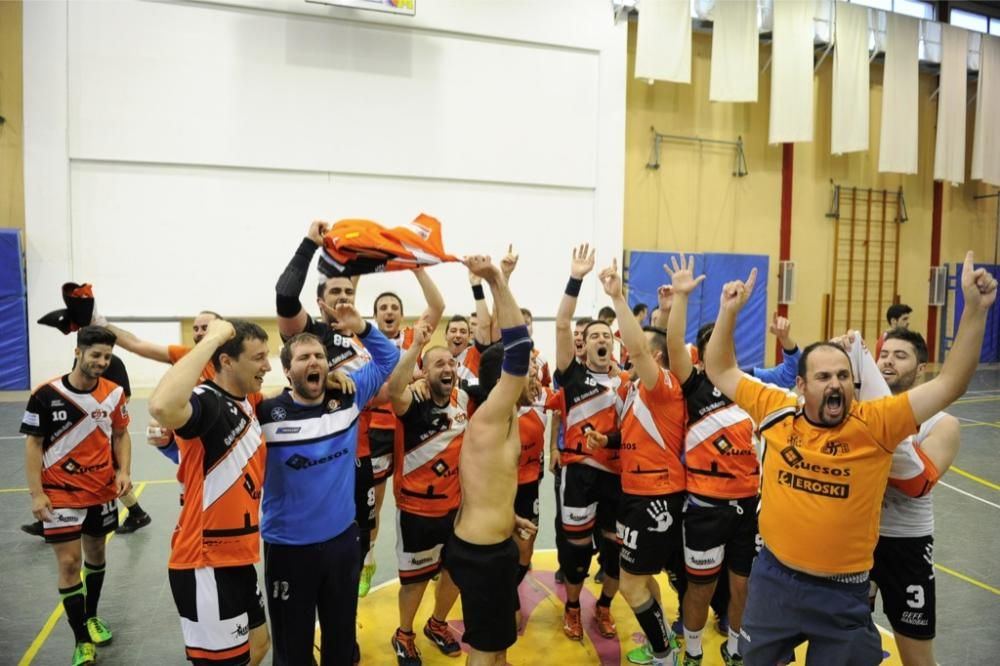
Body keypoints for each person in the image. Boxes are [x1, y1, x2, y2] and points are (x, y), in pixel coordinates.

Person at [703, 252, 996, 665]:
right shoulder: (776, 408)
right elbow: (720, 369)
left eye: (843, 375)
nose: (836, 383)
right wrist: (728, 312)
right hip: (774, 579)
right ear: (802, 386)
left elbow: (951, 383)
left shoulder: (876, 422)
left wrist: (975, 311)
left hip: (842, 591)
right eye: (823, 377)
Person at [258, 303, 400, 665]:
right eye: (303, 357)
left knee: (340, 642)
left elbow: (390, 360)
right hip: (289, 550)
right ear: (288, 370)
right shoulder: (266, 415)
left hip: (341, 545)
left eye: (319, 355)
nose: (314, 362)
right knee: (293, 650)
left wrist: (362, 328)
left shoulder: (348, 398)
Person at [149, 319, 272, 666]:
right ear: (227, 361)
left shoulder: (247, 400)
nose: (267, 365)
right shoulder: (207, 402)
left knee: (259, 645)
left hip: (238, 556)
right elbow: (162, 407)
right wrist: (214, 337)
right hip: (205, 562)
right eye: (259, 357)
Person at [664, 256, 760, 666]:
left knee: (744, 586)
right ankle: (694, 652)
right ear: (702, 356)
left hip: (751, 505)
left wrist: (733, 313)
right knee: (699, 588)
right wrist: (682, 299)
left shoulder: (751, 387)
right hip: (705, 504)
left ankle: (736, 650)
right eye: (715, 345)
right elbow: (671, 347)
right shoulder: (695, 385)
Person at [445, 255, 538, 665]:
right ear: (504, 381)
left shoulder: (504, 415)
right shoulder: (491, 415)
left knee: (498, 647)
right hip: (481, 554)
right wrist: (497, 281)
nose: (533, 374)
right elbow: (518, 349)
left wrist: (509, 516)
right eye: (528, 372)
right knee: (485, 652)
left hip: (493, 544)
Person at [21, 326, 133, 666]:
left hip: (101, 491)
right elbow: (33, 444)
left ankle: (91, 615)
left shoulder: (114, 393)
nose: (101, 361)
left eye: (107, 357)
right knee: (70, 563)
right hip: (59, 494)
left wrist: (124, 471)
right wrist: (37, 494)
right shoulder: (45, 394)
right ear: (78, 352)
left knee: (97, 555)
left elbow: (121, 434)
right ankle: (81, 640)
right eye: (95, 355)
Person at [594, 261, 685, 666]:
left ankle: (664, 654)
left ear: (655, 358)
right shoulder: (635, 387)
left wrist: (617, 297)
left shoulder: (662, 386)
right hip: (635, 491)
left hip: (656, 495)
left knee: (631, 586)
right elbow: (646, 346)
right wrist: (608, 440)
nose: (627, 357)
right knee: (644, 579)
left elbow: (640, 347)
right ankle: (663, 642)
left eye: (638, 355)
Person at [869, 329, 960, 666]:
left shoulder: (941, 423)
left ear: (921, 368)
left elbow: (916, 484)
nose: (888, 361)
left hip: (905, 544)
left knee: (916, 656)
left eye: (900, 355)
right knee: (845, 644)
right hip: (857, 540)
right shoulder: (860, 409)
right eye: (884, 354)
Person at [553, 244, 627, 641]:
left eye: (605, 335)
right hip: (579, 474)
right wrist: (576, 278)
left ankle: (604, 607)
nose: (599, 339)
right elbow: (563, 325)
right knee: (577, 552)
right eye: (592, 335)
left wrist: (610, 439)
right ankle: (571, 607)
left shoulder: (628, 383)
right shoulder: (571, 376)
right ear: (585, 343)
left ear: (613, 343)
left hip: (618, 477)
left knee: (615, 553)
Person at [385, 323, 466, 665]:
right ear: (424, 371)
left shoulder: (462, 399)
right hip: (417, 508)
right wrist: (415, 346)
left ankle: (438, 624)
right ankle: (404, 634)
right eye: (438, 364)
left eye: (450, 363)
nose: (447, 368)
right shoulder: (412, 402)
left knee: (455, 572)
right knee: (415, 581)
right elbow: (392, 389)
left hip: (456, 508)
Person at [363, 271, 445, 596]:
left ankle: (431, 557)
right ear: (375, 315)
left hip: (414, 430)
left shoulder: (413, 336)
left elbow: (437, 305)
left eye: (393, 306)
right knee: (374, 505)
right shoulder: (364, 342)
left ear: (400, 313)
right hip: (378, 433)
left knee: (419, 500)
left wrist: (417, 268)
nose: (388, 311)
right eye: (382, 307)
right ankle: (367, 562)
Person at [21, 351, 151, 536]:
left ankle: (137, 513)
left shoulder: (113, 363)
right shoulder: (81, 359)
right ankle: (53, 518)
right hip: (81, 430)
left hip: (101, 431)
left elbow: (124, 397)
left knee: (111, 474)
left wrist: (98, 415)